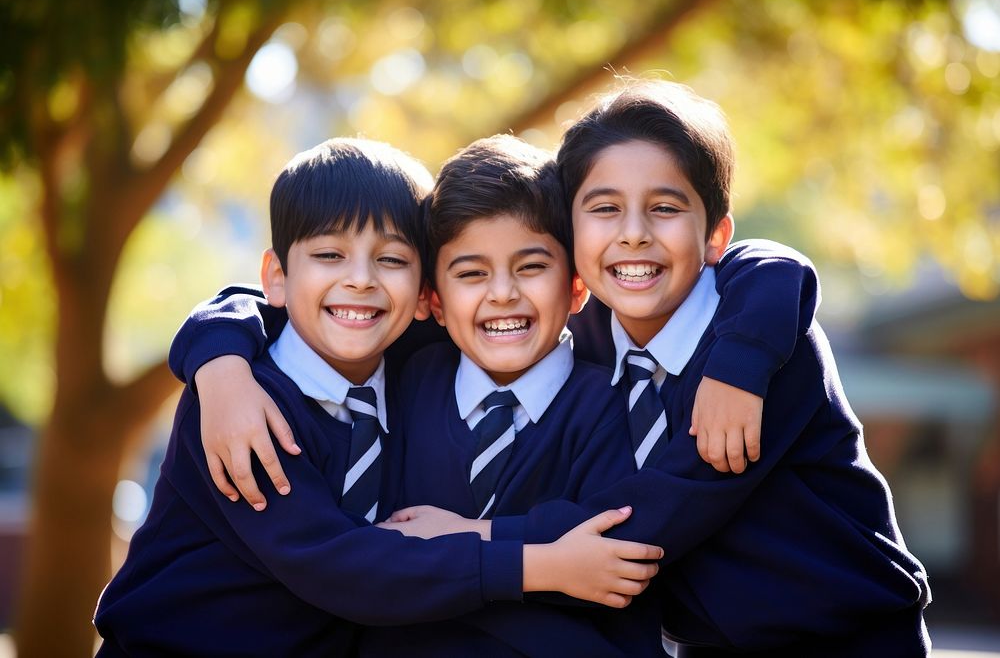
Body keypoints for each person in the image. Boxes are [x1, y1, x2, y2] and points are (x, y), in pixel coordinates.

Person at [92, 137, 662, 657]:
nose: (361, 280)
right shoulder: (246, 409)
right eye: (329, 255)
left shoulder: (413, 359)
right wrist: (217, 363)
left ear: (423, 296)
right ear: (278, 277)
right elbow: (339, 566)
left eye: (391, 260)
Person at [439, 79, 928, 655]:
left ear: (714, 234)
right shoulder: (584, 339)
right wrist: (299, 383)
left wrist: (482, 537)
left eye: (665, 209)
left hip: (850, 640)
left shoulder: (765, 349)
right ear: (569, 234)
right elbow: (419, 309)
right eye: (605, 209)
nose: (634, 234)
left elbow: (651, 518)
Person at [360, 134, 663, 656]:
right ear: (431, 298)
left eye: (531, 267)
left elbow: (611, 560)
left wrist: (465, 538)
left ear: (576, 286)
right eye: (472, 273)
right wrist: (218, 353)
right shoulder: (405, 382)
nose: (502, 292)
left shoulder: (618, 400)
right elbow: (296, 309)